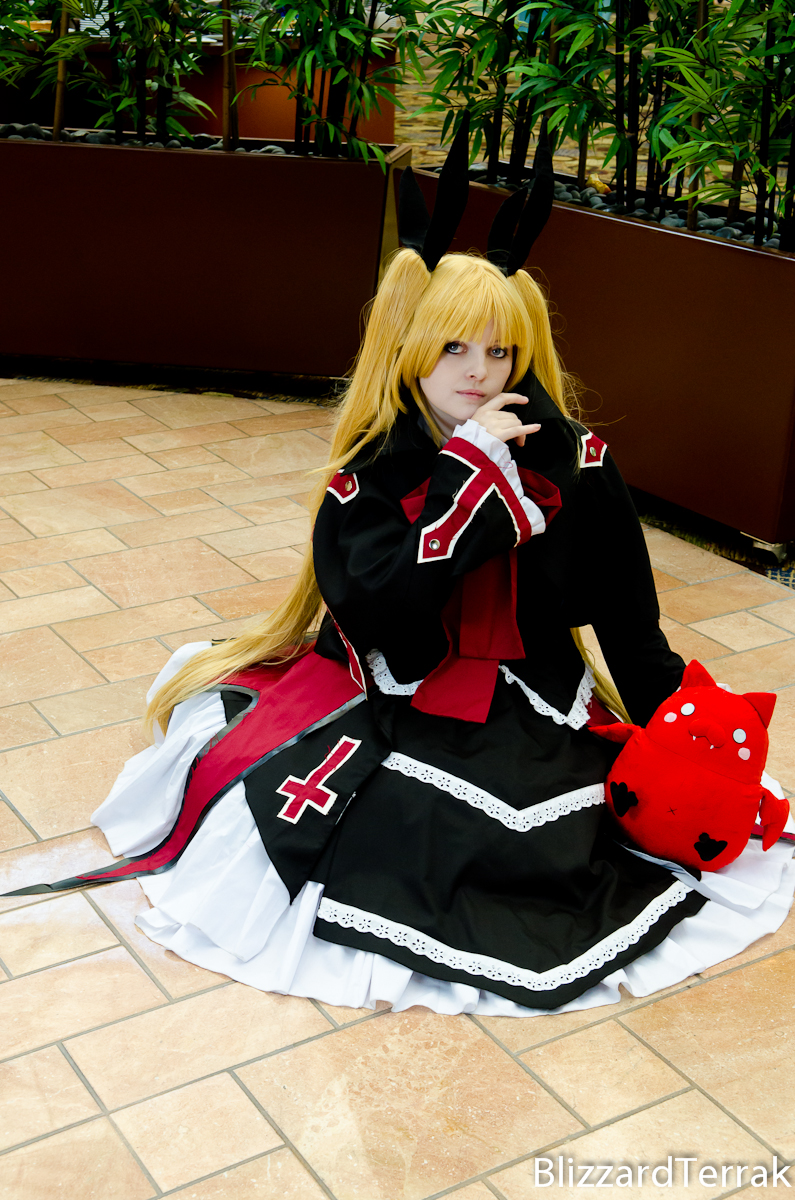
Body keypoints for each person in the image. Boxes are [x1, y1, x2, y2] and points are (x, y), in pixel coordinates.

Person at [77, 246, 793, 1017]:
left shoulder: (576, 461)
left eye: (499, 350)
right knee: (409, 833)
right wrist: (465, 477)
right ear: (411, 346)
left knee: (563, 840)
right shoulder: (371, 472)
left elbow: (628, 624)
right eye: (452, 346)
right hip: (397, 695)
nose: (477, 370)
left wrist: (683, 735)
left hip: (541, 701)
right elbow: (384, 615)